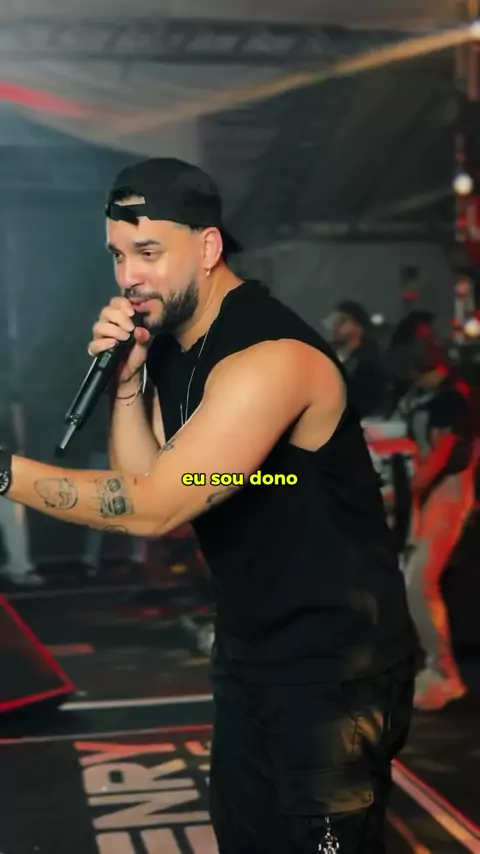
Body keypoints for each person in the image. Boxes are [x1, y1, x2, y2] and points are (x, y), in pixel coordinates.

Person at [0, 158, 416, 853]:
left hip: (332, 667)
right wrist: (128, 382)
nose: (129, 276)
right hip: (252, 649)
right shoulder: (171, 343)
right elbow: (150, 482)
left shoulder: (269, 357)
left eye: (148, 251)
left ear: (208, 246)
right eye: (118, 255)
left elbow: (156, 507)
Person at [397, 337, 478, 712]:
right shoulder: (418, 395)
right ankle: (434, 668)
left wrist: (401, 491)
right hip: (427, 493)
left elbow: (440, 457)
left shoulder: (452, 400)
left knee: (419, 582)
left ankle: (445, 673)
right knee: (410, 581)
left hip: (448, 492)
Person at [328, 300, 385, 418]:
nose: (336, 326)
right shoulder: (325, 354)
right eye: (334, 321)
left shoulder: (370, 360)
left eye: (342, 321)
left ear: (359, 327)